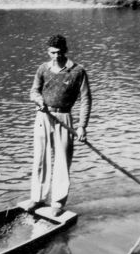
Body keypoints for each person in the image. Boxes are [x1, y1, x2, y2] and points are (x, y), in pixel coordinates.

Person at [25, 34, 92, 216]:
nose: (55, 56)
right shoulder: (43, 69)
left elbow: (86, 100)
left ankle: (57, 202)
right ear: (48, 52)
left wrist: (82, 126)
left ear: (66, 51)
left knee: (62, 160)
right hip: (43, 116)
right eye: (52, 53)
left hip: (64, 118)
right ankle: (38, 198)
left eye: (59, 52)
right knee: (40, 158)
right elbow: (34, 91)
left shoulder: (78, 71)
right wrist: (39, 100)